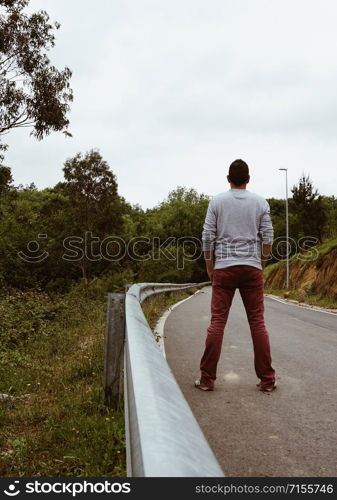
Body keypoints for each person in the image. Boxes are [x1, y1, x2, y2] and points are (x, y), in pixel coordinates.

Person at [195, 159, 276, 393]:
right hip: (251, 268)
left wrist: (210, 266)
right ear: (248, 179)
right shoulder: (260, 203)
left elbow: (207, 236)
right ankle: (267, 380)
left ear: (228, 178)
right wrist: (260, 263)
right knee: (258, 323)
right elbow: (268, 237)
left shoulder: (217, 202)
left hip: (224, 268)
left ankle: (207, 379)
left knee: (217, 323)